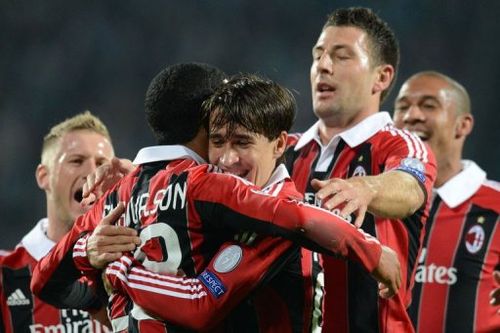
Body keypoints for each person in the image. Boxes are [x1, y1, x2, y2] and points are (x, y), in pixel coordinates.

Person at [31, 63, 401, 332]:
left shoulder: (123, 198)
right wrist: (93, 268)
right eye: (218, 139)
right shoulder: (211, 192)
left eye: (240, 142)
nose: (226, 159)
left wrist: (111, 269)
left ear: (281, 144)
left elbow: (199, 302)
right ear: (204, 124)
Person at [284, 7, 437, 332]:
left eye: (341, 57)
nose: (323, 66)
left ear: (381, 78)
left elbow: (409, 188)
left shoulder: (400, 145)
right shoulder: (286, 152)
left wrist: (366, 188)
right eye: (319, 55)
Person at [393, 71, 500, 332]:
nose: (412, 116)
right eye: (403, 107)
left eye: (429, 105)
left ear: (463, 125)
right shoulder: (376, 204)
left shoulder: (495, 205)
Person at [0, 111, 117, 332]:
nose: (92, 171)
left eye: (102, 163)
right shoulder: (5, 274)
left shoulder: (137, 264)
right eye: (77, 160)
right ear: (44, 176)